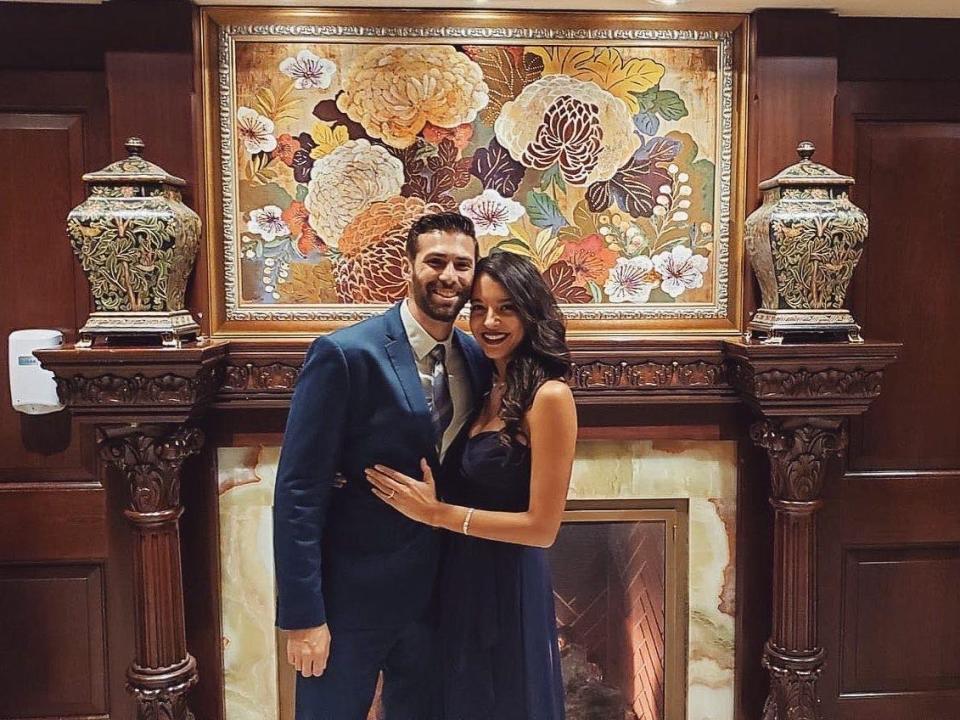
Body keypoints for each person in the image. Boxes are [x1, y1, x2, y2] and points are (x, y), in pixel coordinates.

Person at [273, 212, 489, 720]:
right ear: (408, 266)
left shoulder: (478, 358)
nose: (449, 276)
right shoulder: (346, 354)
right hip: (350, 603)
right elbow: (299, 491)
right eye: (435, 261)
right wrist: (304, 618)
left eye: (463, 265)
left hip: (436, 601)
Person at [366, 250, 578, 720]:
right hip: (456, 573)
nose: (489, 321)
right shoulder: (483, 382)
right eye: (478, 308)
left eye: (506, 308)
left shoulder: (550, 398)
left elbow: (542, 528)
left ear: (531, 312)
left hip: (505, 583)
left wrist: (437, 514)